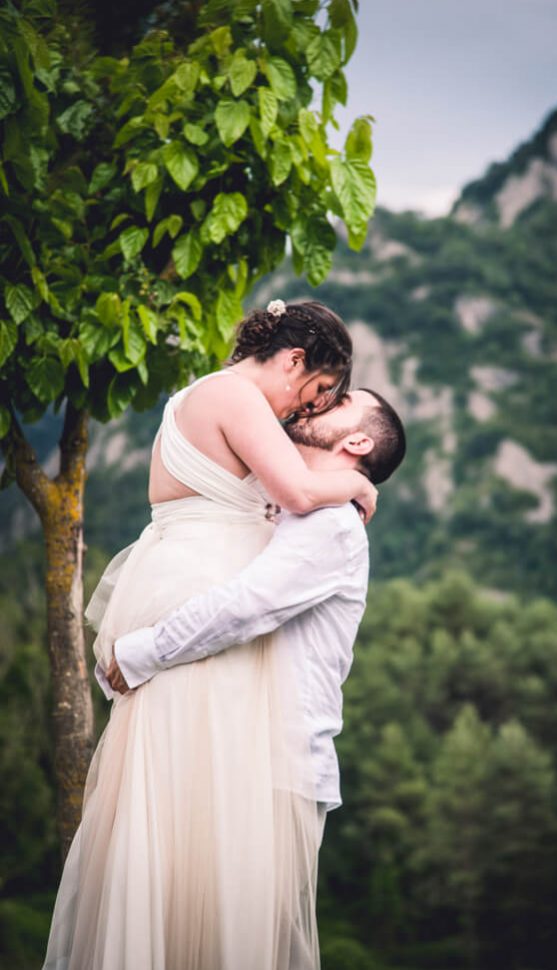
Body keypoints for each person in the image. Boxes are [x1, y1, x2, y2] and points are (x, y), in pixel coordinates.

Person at [43, 300, 378, 970]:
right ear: (291, 360)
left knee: (181, 805)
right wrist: (353, 483)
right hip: (195, 605)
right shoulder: (236, 395)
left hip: (182, 594)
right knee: (194, 804)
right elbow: (291, 492)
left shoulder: (214, 397)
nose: (298, 412)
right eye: (312, 391)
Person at [104, 388, 406, 962]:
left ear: (359, 441)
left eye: (338, 402)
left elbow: (246, 606)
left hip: (279, 767)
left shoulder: (334, 526)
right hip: (232, 752)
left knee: (243, 945)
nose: (315, 404)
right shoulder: (286, 508)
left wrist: (139, 653)